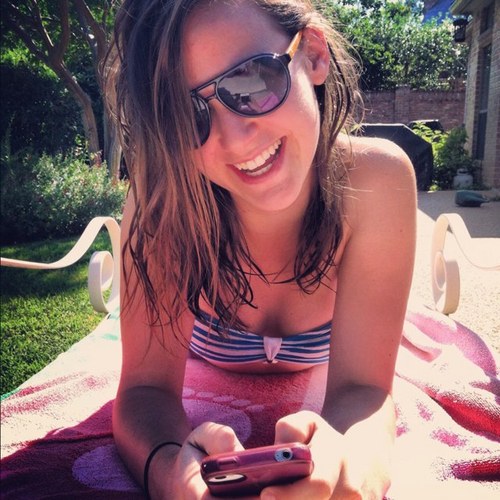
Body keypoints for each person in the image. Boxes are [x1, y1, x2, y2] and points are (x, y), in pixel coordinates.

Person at [105, 0, 417, 498]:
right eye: (186, 116)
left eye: (251, 81)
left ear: (313, 54)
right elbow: (145, 390)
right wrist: (171, 475)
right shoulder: (165, 196)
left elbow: (365, 390)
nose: (233, 139)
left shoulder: (376, 181)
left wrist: (352, 468)